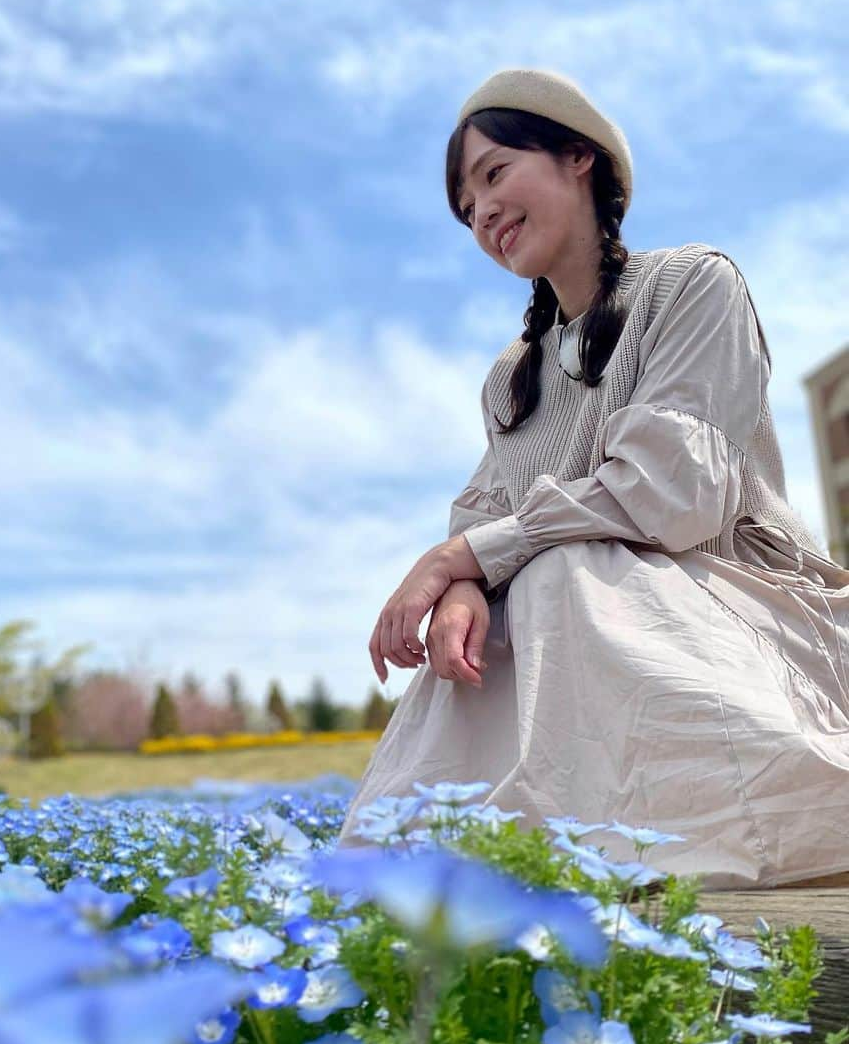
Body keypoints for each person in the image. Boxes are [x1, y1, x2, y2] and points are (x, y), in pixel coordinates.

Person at [336, 66, 849, 890]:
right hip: (582, 638)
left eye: (495, 174)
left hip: (739, 617)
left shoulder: (692, 285)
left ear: (579, 157)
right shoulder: (512, 379)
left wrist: (466, 559)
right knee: (485, 625)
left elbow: (671, 497)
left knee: (566, 575)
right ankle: (427, 880)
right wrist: (463, 583)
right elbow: (488, 515)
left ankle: (563, 864)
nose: (484, 214)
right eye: (467, 209)